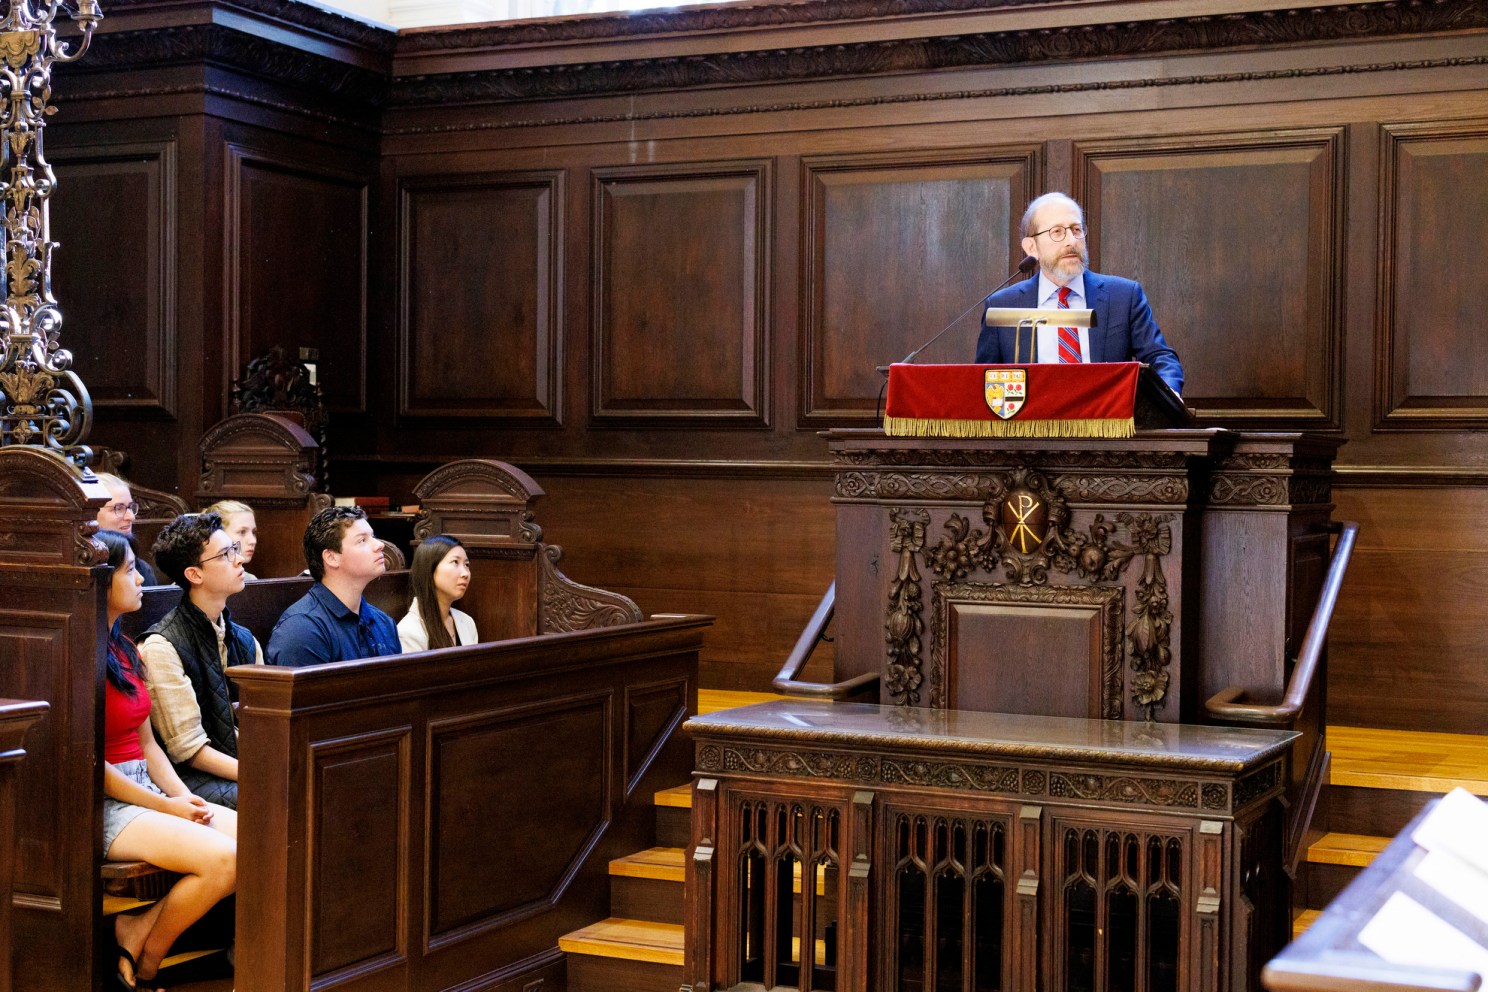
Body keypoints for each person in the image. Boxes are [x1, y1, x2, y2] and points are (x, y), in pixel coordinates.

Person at [96, 529, 237, 991]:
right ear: (100, 583)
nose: (141, 578)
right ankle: (149, 961)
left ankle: (135, 933)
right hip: (107, 801)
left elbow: (150, 746)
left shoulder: (126, 648)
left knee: (264, 837)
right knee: (225, 859)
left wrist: (181, 799)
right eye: (129, 570)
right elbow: (94, 768)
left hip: (150, 788)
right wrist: (166, 807)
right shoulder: (78, 654)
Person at [974, 192, 1184, 395]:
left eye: (1076, 230)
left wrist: (1169, 392)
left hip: (1104, 426)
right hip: (1032, 428)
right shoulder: (1003, 306)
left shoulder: (1124, 296)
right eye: (1057, 232)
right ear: (1031, 247)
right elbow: (984, 382)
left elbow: (1160, 357)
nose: (1071, 241)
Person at [138, 512, 265, 810]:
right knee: (276, 796)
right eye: (225, 555)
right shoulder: (161, 646)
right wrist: (262, 774)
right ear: (194, 574)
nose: (239, 561)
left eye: (234, 550)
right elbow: (189, 750)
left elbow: (260, 721)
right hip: (188, 777)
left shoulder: (245, 639)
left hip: (237, 763)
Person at [267, 505, 402, 667]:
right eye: (362, 540)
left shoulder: (383, 622)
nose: (379, 545)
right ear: (331, 557)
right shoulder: (302, 629)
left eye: (373, 536)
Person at [398, 535, 478, 652]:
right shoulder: (408, 631)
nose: (465, 573)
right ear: (429, 569)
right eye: (455, 562)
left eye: (467, 565)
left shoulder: (466, 622)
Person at [95, 473, 160, 585]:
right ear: (90, 513)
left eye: (129, 507)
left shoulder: (142, 570)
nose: (131, 517)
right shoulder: (79, 571)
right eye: (118, 508)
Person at [205, 499, 259, 580]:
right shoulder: (197, 580)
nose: (253, 541)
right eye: (242, 532)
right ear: (217, 534)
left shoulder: (250, 580)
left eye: (254, 532)